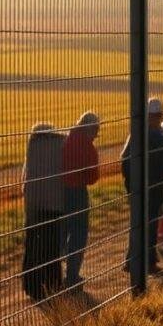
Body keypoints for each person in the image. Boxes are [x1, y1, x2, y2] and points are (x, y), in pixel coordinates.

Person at [120, 97, 163, 274]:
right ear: (158, 116)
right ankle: (149, 262)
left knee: (137, 223)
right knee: (151, 224)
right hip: (154, 186)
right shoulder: (161, 137)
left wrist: (130, 184)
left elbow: (124, 160)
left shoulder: (136, 134)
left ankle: (131, 260)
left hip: (137, 187)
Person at [21, 122, 65, 301]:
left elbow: (25, 180)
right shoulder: (57, 146)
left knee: (32, 246)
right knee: (51, 246)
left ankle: (32, 285)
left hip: (33, 207)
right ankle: (52, 284)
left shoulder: (32, 149)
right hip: (52, 206)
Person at [60, 111, 100, 289]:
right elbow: (92, 177)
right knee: (78, 234)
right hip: (77, 193)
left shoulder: (66, 139)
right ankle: (72, 276)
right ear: (91, 129)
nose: (96, 136)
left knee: (61, 233)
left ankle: (53, 273)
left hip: (60, 192)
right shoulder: (87, 147)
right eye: (96, 131)